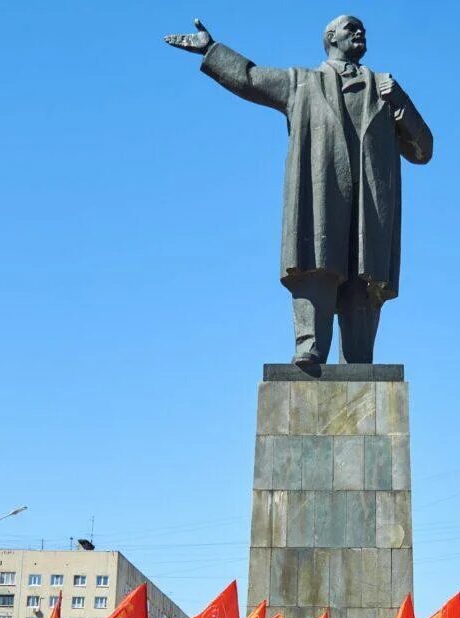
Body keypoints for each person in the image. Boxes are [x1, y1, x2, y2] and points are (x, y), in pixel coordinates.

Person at [163, 13, 434, 367]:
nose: (359, 31)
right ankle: (310, 347)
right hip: (321, 198)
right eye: (350, 27)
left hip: (370, 207)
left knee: (364, 284)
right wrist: (212, 50)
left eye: (362, 28)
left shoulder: (386, 92)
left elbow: (423, 150)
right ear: (330, 37)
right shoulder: (302, 83)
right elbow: (250, 78)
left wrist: (402, 103)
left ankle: (360, 363)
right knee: (316, 269)